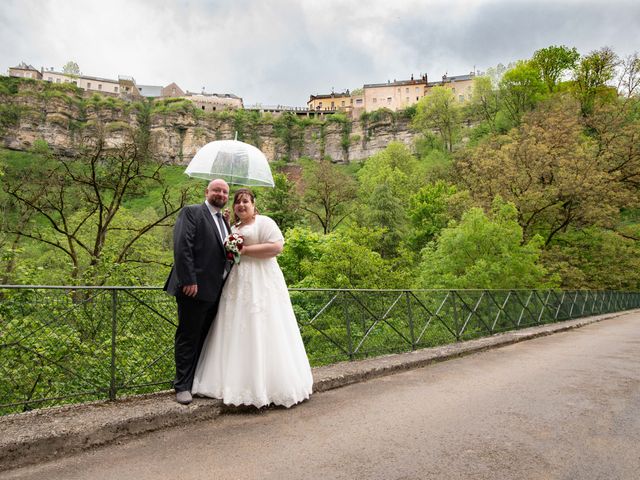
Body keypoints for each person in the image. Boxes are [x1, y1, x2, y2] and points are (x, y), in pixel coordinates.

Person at [191, 188, 313, 408]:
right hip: (238, 280)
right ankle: (231, 380)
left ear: (254, 204)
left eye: (245, 201)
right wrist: (230, 234)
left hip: (262, 280)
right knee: (234, 326)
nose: (241, 205)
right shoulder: (234, 227)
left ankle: (267, 385)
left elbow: (277, 247)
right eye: (237, 202)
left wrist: (244, 250)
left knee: (264, 325)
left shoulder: (264, 222)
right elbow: (229, 254)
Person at [164, 178, 231, 405]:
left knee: (204, 338)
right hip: (193, 289)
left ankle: (195, 382)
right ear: (207, 191)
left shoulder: (224, 221)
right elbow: (183, 246)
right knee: (188, 336)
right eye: (217, 190)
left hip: (215, 291)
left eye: (224, 191)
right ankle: (181, 385)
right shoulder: (191, 212)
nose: (221, 194)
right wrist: (189, 280)